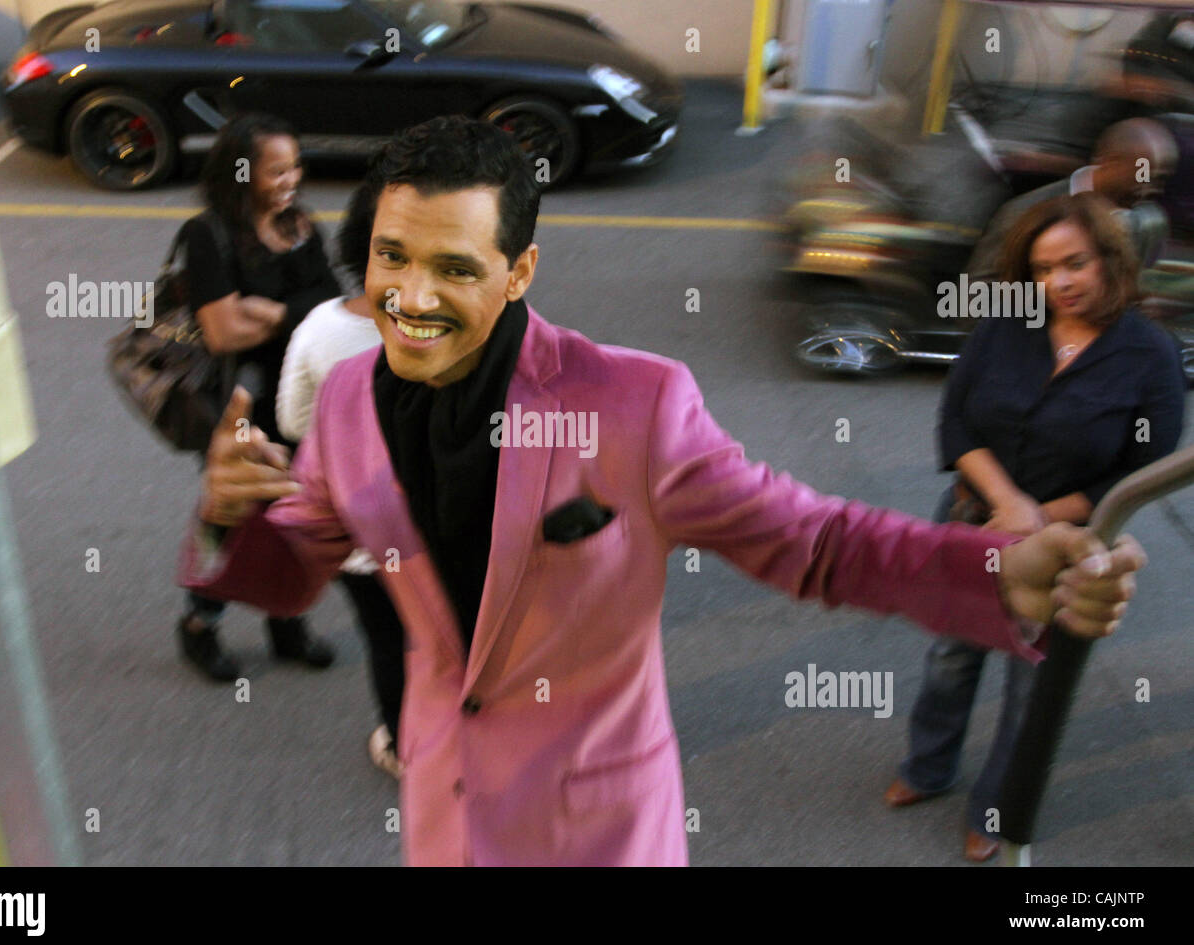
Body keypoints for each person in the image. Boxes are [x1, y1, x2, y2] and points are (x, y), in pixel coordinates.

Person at [180, 116, 1146, 866]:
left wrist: (998, 573)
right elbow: (297, 564)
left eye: (453, 268)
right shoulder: (348, 398)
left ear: (518, 273)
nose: (411, 297)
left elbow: (816, 543)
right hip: (447, 814)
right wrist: (230, 515)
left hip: (596, 830)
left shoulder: (634, 404)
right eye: (393, 257)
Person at [886, 192, 1186, 861]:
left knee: (1031, 689)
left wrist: (1042, 518)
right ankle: (926, 770)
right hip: (974, 522)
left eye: (1075, 263)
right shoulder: (1005, 327)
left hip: (1069, 550)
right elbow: (955, 422)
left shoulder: (1150, 354)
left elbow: (1147, 466)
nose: (1061, 283)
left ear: (1109, 259)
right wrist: (1006, 503)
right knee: (950, 658)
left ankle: (995, 810)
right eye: (1045, 270)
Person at [176, 113, 340, 681]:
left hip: (301, 405)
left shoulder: (301, 226)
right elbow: (224, 332)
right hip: (238, 410)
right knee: (230, 518)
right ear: (241, 174)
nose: (290, 179)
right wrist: (299, 316)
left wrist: (275, 312)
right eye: (276, 171)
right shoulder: (209, 234)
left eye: (295, 166)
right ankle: (200, 623)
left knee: (296, 519)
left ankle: (285, 619)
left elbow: (334, 308)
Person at [275, 184, 406, 778]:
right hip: (453, 529)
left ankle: (406, 749)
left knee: (387, 638)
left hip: (359, 533)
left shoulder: (319, 329)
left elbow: (292, 422)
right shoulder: (476, 326)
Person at [966, 118, 1179, 283]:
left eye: (1160, 178)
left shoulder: (1148, 222)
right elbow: (975, 299)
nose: (1151, 187)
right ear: (1108, 162)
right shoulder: (1025, 213)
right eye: (1142, 174)